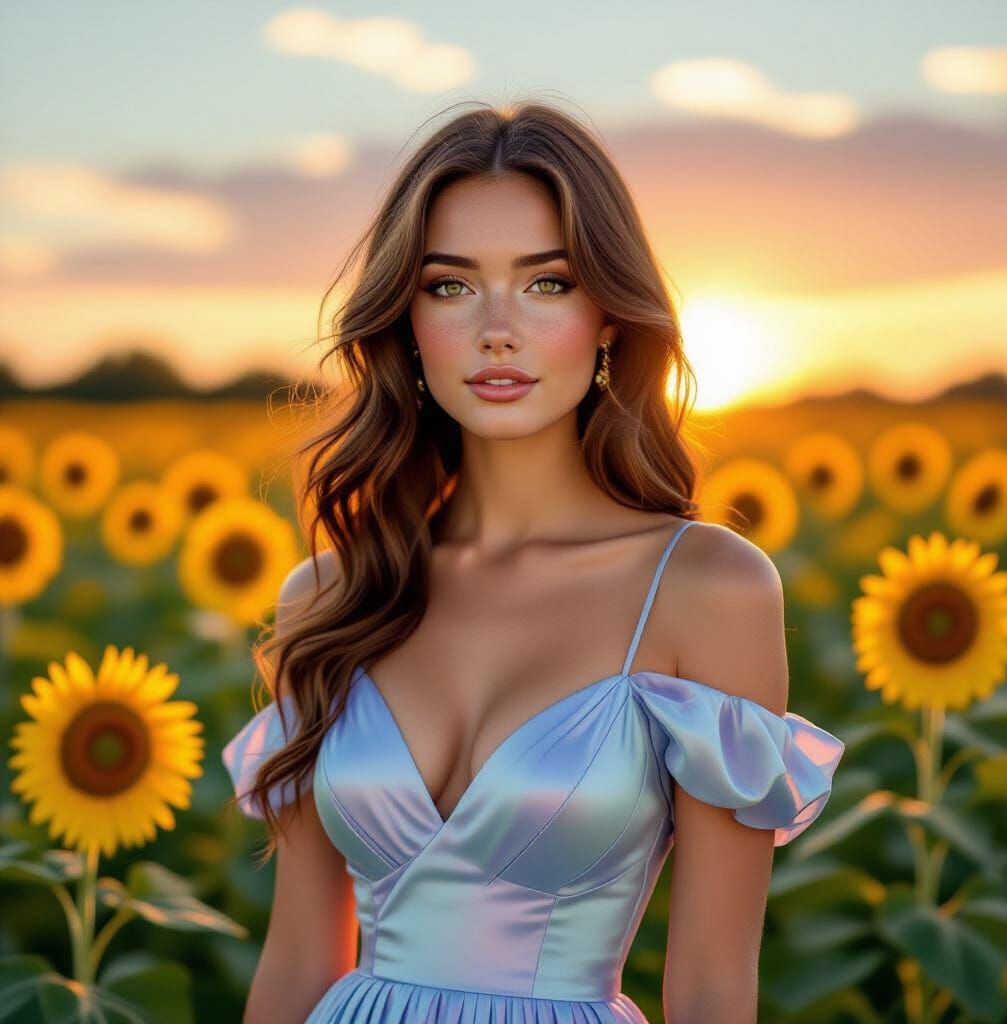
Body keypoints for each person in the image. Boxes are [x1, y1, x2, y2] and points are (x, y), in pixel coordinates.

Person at [221, 99, 845, 1024]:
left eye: (546, 284)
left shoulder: (705, 589)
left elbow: (713, 987)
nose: (497, 329)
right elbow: (298, 959)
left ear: (607, 318)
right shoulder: (331, 596)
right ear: (405, 318)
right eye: (450, 285)